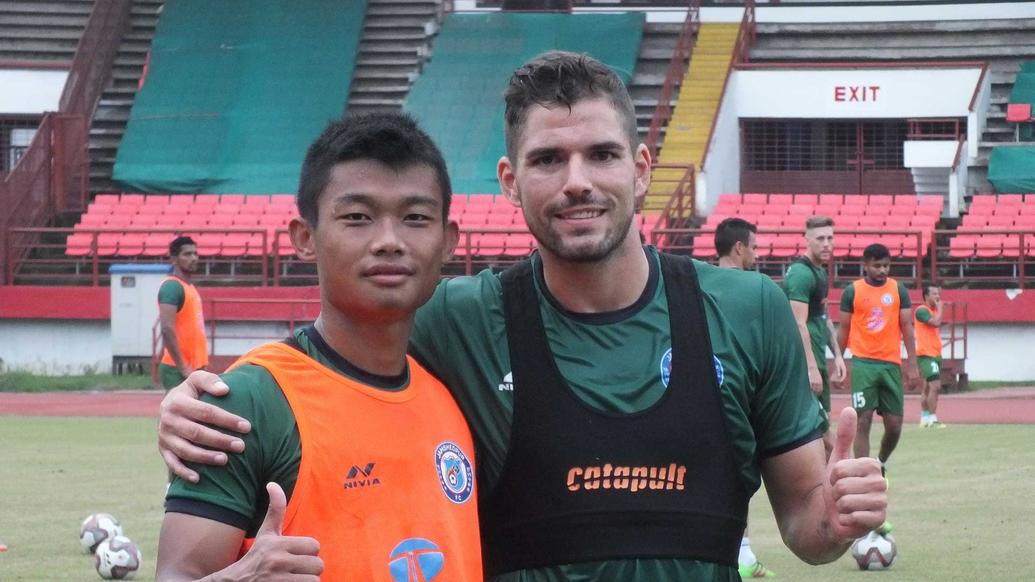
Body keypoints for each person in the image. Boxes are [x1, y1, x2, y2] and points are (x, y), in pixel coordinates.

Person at [157, 51, 887, 581]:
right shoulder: (456, 318)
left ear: (640, 168)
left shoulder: (749, 308)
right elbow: (336, 352)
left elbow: (805, 527)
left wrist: (833, 519)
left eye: (600, 155)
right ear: (509, 180)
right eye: (547, 160)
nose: (577, 183)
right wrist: (195, 398)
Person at [155, 113, 482, 580]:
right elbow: (176, 574)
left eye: (415, 218)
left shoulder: (453, 391)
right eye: (357, 218)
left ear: (447, 241)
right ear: (305, 238)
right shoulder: (250, 402)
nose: (389, 241)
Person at [714, 217, 773, 579]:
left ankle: (740, 551)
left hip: (704, 391)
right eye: (753, 245)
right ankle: (741, 552)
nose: (757, 252)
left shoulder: (691, 283)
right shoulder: (754, 289)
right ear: (739, 247)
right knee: (740, 472)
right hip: (738, 392)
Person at [837, 242, 921, 478]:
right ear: (865, 265)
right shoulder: (852, 291)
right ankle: (864, 473)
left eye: (886, 266)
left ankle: (881, 461)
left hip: (891, 363)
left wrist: (912, 363)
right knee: (862, 420)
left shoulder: (898, 290)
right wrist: (839, 363)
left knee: (894, 425)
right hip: (863, 363)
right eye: (877, 266)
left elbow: (907, 326)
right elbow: (843, 329)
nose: (882, 270)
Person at [782, 216, 847, 452]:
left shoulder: (819, 272)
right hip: (806, 364)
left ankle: (826, 486)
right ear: (807, 239)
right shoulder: (801, 274)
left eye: (830, 238)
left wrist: (838, 355)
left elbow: (823, 314)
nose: (827, 243)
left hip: (819, 359)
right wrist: (811, 368)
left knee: (824, 426)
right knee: (822, 435)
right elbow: (798, 323)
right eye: (820, 238)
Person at [158, 236, 208, 390]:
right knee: (178, 413)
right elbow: (166, 328)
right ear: (174, 259)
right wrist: (183, 366)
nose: (193, 258)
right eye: (187, 254)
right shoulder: (172, 287)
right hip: (178, 368)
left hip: (193, 366)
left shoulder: (189, 287)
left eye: (195, 253)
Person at [915, 285, 946, 428]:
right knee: (935, 386)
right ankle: (933, 419)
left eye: (938, 294)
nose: (937, 297)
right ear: (926, 296)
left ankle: (924, 419)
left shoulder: (932, 311)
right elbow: (936, 323)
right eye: (934, 294)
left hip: (935, 354)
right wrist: (940, 309)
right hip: (926, 354)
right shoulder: (921, 311)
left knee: (927, 387)